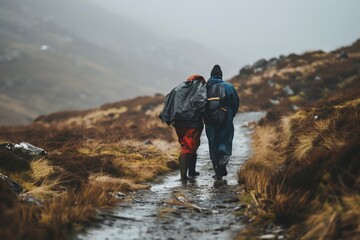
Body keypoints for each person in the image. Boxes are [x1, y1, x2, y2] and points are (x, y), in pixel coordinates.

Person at [159, 74, 207, 181]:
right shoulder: (201, 87)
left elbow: (168, 102)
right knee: (190, 146)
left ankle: (191, 172)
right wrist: (205, 117)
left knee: (186, 144)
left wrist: (168, 118)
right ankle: (184, 176)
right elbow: (203, 102)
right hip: (193, 122)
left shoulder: (178, 88)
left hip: (179, 123)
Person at [205, 65, 239, 180]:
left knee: (213, 142)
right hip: (226, 117)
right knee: (225, 140)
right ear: (221, 75)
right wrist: (230, 115)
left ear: (211, 75)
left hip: (209, 119)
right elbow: (235, 103)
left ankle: (217, 171)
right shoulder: (229, 86)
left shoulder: (206, 87)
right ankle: (222, 162)